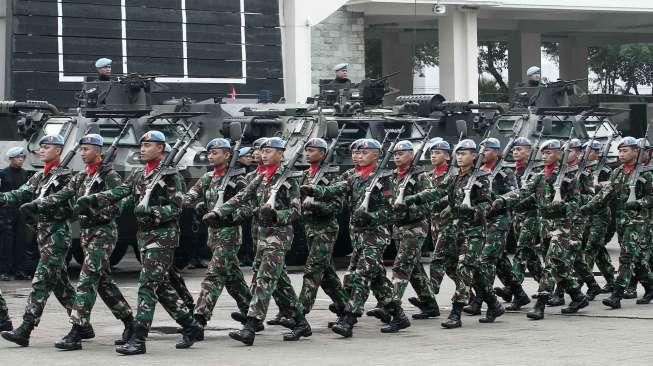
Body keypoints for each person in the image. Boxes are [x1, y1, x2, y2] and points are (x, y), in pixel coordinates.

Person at [78, 130, 203, 354]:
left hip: (162, 236)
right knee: (161, 286)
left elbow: (176, 207)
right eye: (142, 145)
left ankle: (139, 338)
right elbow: (122, 192)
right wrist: (96, 200)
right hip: (144, 236)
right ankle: (191, 325)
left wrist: (152, 211)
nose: (143, 149)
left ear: (161, 149)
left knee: (147, 285)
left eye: (148, 145)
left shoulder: (170, 175)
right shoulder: (139, 174)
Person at [24, 134, 135, 351]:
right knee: (103, 282)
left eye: (86, 149)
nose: (82, 153)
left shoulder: (109, 175)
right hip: (86, 234)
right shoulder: (82, 177)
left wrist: (92, 206)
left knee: (86, 280)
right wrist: (37, 205)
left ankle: (77, 330)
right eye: (81, 149)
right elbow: (63, 195)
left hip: (103, 233)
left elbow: (119, 205)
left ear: (98, 151)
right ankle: (131, 322)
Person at [216, 137, 310, 345]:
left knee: (265, 279)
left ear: (281, 153)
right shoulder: (260, 176)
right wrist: (219, 212)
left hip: (279, 235)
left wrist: (276, 215)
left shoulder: (288, 178)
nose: (264, 154)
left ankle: (251, 325)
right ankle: (301, 322)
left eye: (269, 151)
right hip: (261, 235)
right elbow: (242, 196)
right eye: (262, 150)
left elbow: (295, 211)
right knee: (279, 282)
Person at [302, 138, 397, 335]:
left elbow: (393, 210)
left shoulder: (385, 177)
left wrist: (371, 216)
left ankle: (349, 319)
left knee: (361, 275)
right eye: (355, 152)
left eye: (363, 153)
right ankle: (399, 315)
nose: (357, 156)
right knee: (375, 277)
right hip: (358, 235)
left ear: (377, 155)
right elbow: (335, 189)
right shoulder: (352, 175)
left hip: (376, 234)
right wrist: (315, 190)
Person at [495, 139, 590, 320]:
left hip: (563, 227)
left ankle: (540, 305)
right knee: (559, 267)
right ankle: (578, 297)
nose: (546, 156)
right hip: (545, 227)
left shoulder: (570, 176)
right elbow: (525, 194)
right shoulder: (539, 176)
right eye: (544, 153)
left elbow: (577, 204)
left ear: (559, 154)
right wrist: (505, 201)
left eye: (550, 153)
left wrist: (561, 206)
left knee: (551, 263)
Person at [0, 135, 79, 347]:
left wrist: (41, 205)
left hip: (57, 235)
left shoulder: (67, 177)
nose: (41, 150)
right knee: (61, 286)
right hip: (43, 235)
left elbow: (72, 209)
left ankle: (25, 329)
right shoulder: (40, 176)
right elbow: (20, 193)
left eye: (47, 147)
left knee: (41, 281)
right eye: (41, 147)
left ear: (59, 151)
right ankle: (83, 325)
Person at [184, 138, 252, 332]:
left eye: (216, 153)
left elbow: (248, 208)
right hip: (213, 235)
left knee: (213, 275)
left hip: (230, 235)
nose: (211, 156)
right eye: (210, 153)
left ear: (227, 155)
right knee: (233, 278)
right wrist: (187, 204)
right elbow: (191, 195)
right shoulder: (208, 177)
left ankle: (199, 319)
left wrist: (227, 216)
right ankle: (251, 313)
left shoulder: (237, 179)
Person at [580, 136, 653, 308]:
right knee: (638, 258)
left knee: (626, 257)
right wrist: (585, 208)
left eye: (625, 150)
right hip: (622, 222)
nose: (621, 154)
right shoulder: (618, 172)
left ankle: (616, 295)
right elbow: (605, 195)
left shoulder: (646, 173)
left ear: (636, 151)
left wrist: (637, 203)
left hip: (639, 222)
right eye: (619, 151)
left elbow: (651, 198)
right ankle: (650, 286)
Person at [296, 138, 350, 335]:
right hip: (310, 228)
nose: (307, 153)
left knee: (312, 270)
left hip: (325, 229)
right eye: (306, 150)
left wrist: (317, 206)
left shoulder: (332, 176)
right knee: (327, 275)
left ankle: (299, 316)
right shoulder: (303, 175)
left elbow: (338, 207)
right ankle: (346, 309)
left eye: (312, 150)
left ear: (323, 153)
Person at [383, 140, 435, 332]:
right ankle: (430, 304)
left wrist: (407, 210)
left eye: (402, 153)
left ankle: (392, 309)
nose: (397, 156)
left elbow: (429, 203)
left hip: (415, 228)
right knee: (414, 268)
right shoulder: (393, 176)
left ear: (411, 155)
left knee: (401, 266)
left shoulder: (420, 176)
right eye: (395, 154)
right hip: (399, 229)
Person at [464, 138, 518, 315]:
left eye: (487, 150)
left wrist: (498, 200)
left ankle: (479, 301)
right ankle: (519, 293)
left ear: (496, 151)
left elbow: (515, 193)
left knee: (485, 260)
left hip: (499, 219)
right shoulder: (477, 172)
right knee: (499, 259)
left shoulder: (504, 171)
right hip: (481, 221)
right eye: (481, 149)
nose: (483, 153)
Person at [0, 147, 31, 281]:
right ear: (11, 159)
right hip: (6, 212)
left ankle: (19, 270)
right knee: (6, 243)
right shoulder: (3, 174)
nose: (21, 160)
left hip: (21, 212)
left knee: (20, 242)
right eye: (18, 158)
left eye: (22, 158)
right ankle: (4, 270)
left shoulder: (25, 174)